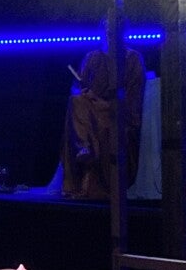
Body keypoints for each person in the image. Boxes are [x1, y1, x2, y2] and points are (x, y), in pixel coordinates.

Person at [60, 45, 145, 200]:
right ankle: (85, 147)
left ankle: (85, 147)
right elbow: (77, 87)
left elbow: (132, 100)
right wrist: (86, 94)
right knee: (77, 102)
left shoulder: (132, 58)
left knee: (82, 108)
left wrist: (102, 103)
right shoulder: (91, 57)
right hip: (91, 111)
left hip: (115, 113)